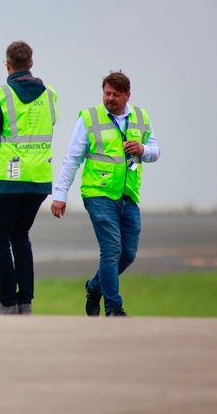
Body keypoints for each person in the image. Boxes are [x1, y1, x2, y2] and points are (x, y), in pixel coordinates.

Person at [50, 71, 161, 317]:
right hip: (98, 194)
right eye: (107, 93)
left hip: (128, 194)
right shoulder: (89, 118)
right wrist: (60, 194)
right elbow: (72, 159)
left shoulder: (140, 117)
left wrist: (143, 149)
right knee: (111, 250)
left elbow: (155, 150)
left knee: (128, 254)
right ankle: (113, 307)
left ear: (127, 95)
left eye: (115, 95)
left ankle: (94, 286)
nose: (110, 98)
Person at [0, 40, 58, 315]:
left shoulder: (0, 94)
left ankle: (7, 303)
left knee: (0, 238)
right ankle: (25, 302)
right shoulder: (50, 94)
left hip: (9, 177)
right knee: (21, 236)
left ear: (7, 65)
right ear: (31, 63)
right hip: (39, 178)